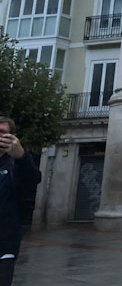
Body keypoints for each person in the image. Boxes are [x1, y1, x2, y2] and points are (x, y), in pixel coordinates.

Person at [1, 117, 41, 286]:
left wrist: (21, 157)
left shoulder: (15, 163)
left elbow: (32, 181)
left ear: (12, 138)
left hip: (4, 246)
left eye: (2, 132)